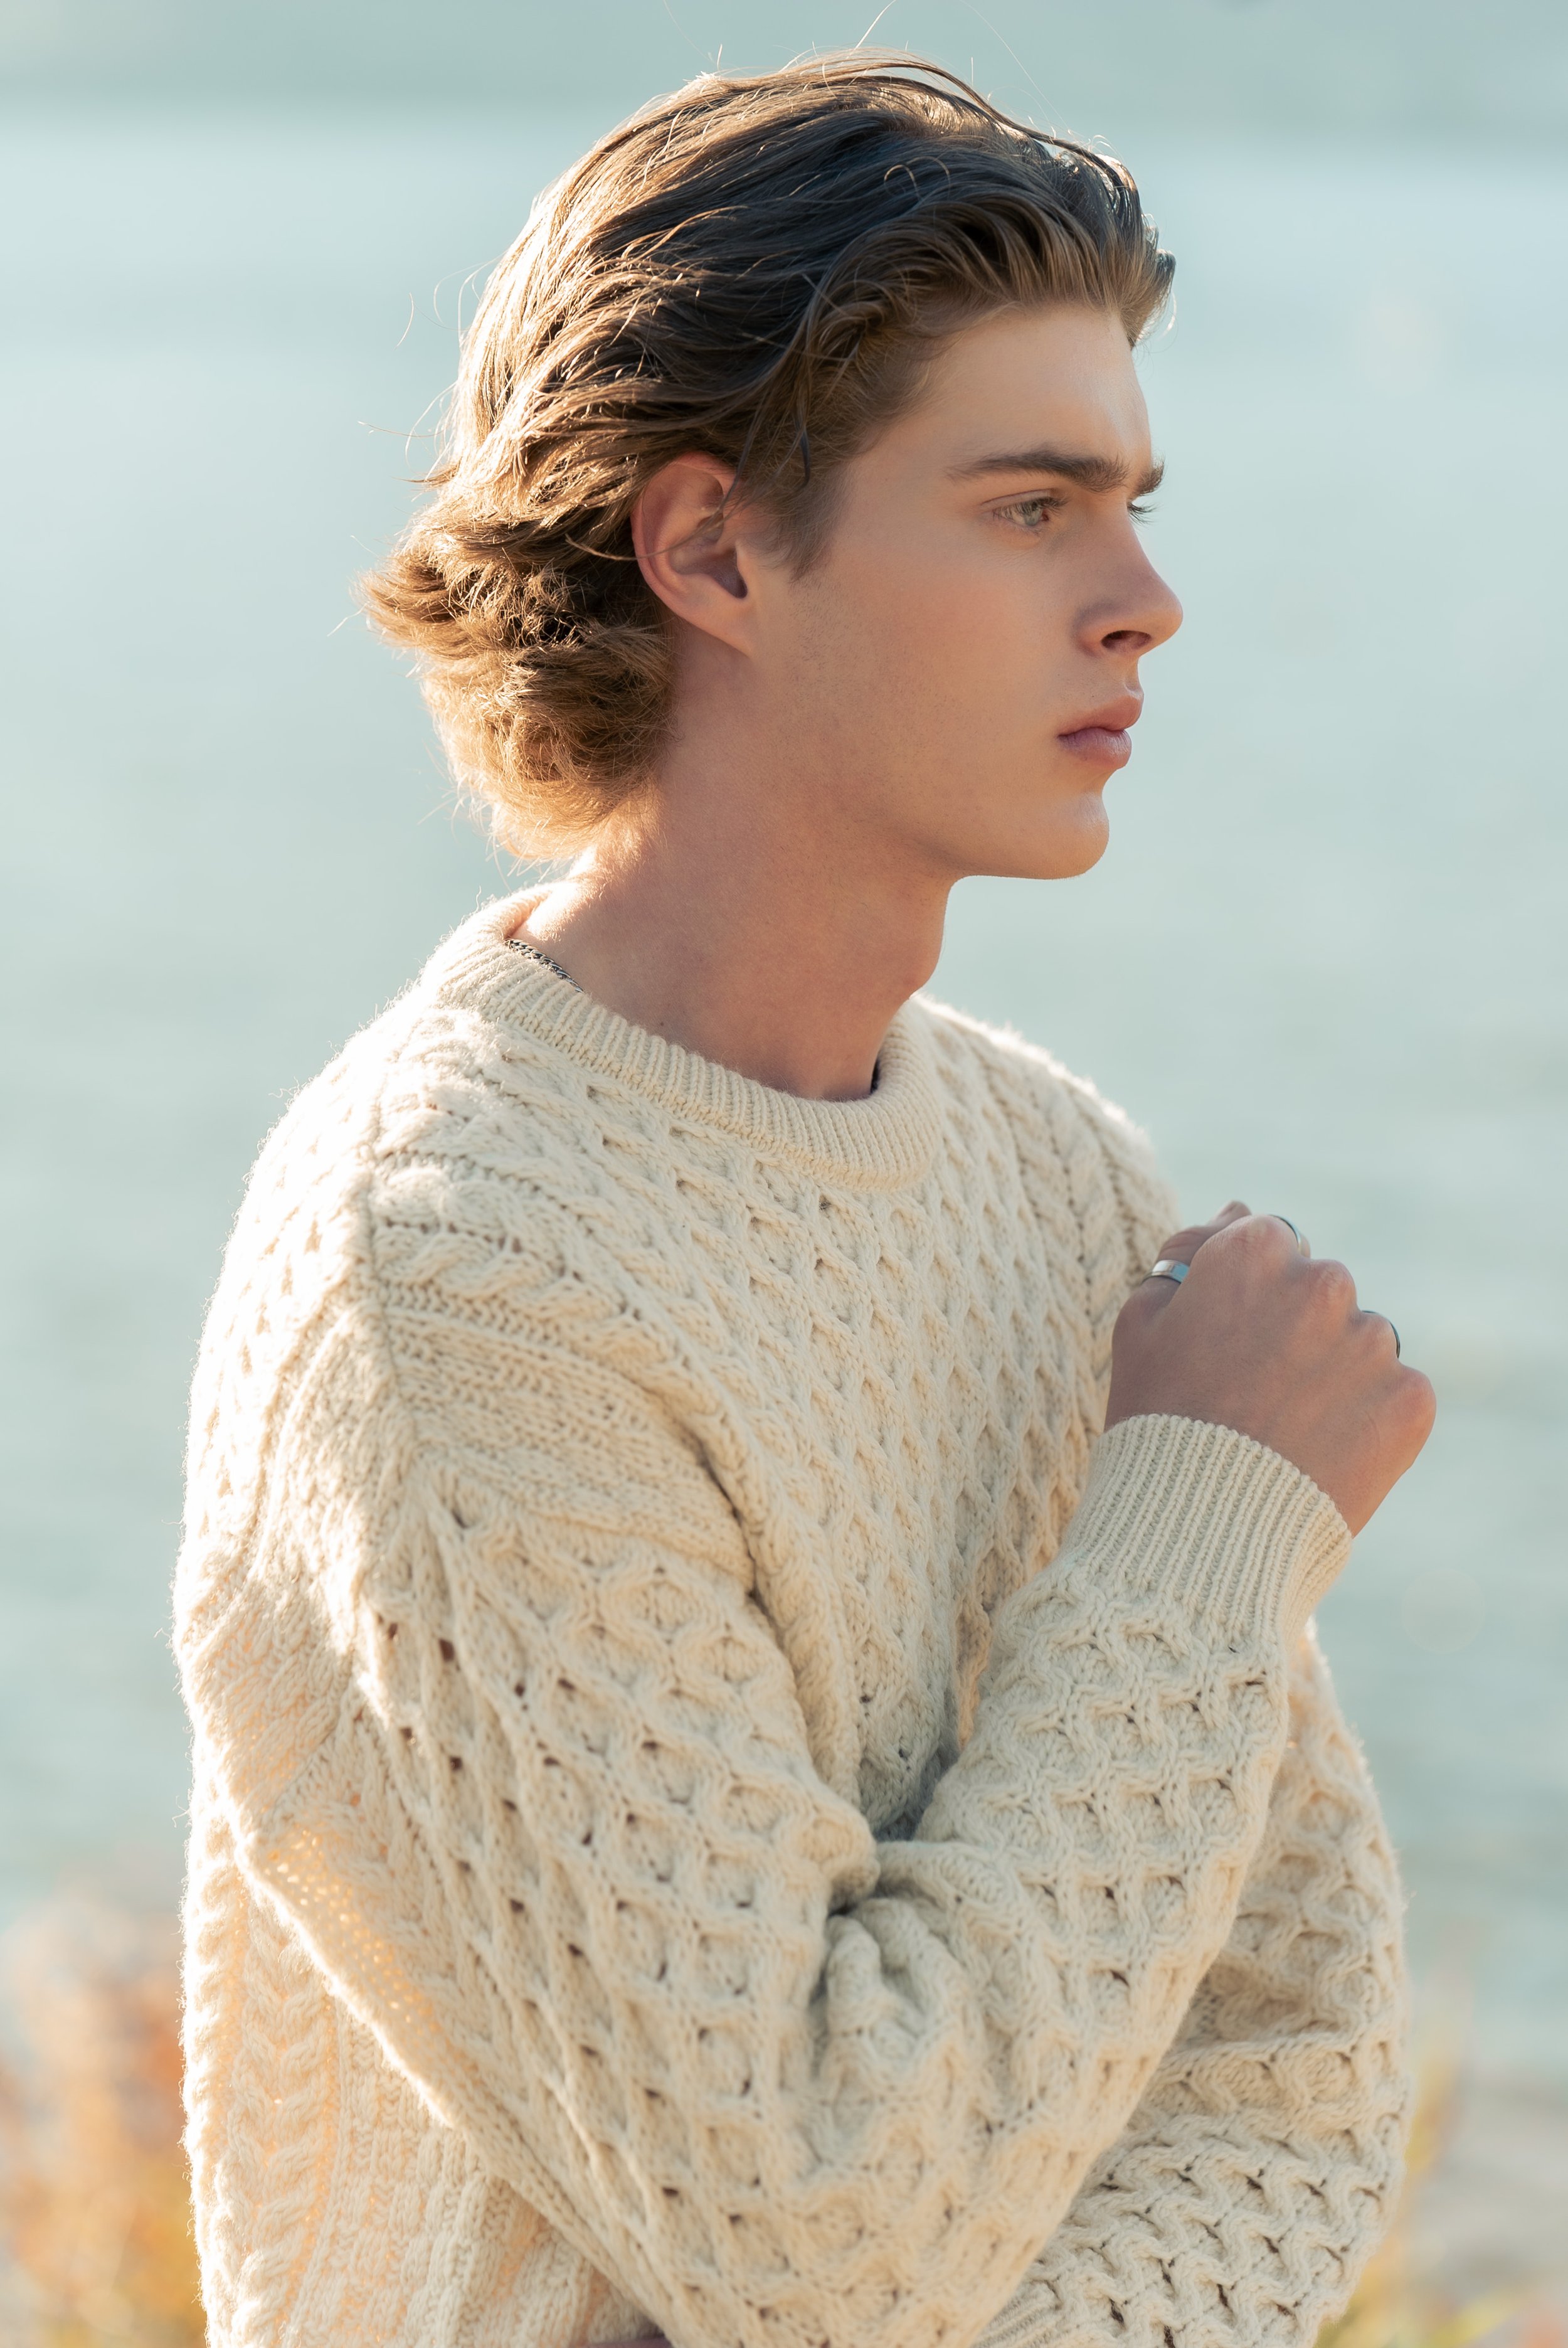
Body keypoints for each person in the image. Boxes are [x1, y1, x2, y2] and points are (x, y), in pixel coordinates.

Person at [175, 54, 1434, 2348]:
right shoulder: (451, 1269)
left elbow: (1298, 2061)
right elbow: (813, 2241)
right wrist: (1194, 1534)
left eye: (1132, 504)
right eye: (1031, 506)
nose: (1146, 601)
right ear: (717, 551)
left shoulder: (1058, 1179)